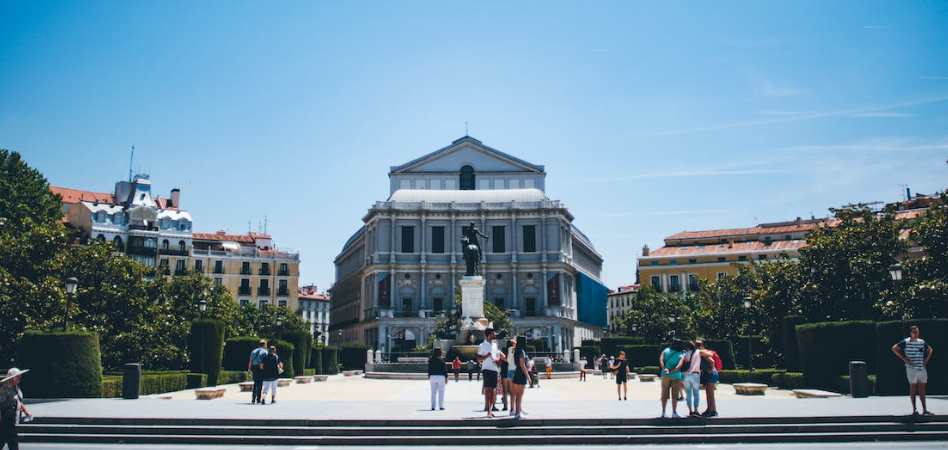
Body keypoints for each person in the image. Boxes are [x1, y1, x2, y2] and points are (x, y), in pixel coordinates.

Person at [892, 325, 935, 416]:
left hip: (921, 367)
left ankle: (924, 409)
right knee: (913, 387)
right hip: (911, 368)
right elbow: (894, 348)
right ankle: (914, 409)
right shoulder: (906, 342)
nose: (916, 334)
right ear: (911, 333)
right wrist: (904, 359)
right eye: (914, 332)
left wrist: (926, 360)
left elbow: (930, 349)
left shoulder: (921, 342)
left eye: (917, 332)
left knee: (922, 388)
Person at [1, 368, 30, 450]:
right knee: (12, 438)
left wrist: (26, 412)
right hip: (6, 417)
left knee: (4, 437)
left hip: (12, 417)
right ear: (12, 378)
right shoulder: (4, 389)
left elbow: (18, 401)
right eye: (17, 376)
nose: (19, 378)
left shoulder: (16, 388)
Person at [478, 328, 502, 418]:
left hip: (494, 369)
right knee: (487, 390)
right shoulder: (482, 345)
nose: (494, 335)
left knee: (493, 390)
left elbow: (498, 355)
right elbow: (479, 358)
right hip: (486, 369)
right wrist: (486, 356)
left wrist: (497, 359)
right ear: (489, 335)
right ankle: (488, 410)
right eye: (493, 333)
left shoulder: (495, 345)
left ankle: (490, 409)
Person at [660, 340, 685, 418]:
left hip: (665, 375)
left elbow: (661, 360)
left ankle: (663, 412)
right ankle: (674, 412)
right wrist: (671, 371)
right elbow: (679, 366)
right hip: (676, 376)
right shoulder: (681, 354)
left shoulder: (666, 350)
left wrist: (665, 369)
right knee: (675, 395)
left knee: (664, 394)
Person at [696, 339, 719, 417]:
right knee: (708, 393)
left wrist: (711, 369)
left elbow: (712, 361)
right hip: (708, 373)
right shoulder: (704, 352)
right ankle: (711, 409)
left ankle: (711, 410)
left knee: (710, 393)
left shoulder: (703, 353)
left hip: (711, 374)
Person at [509, 336, 530, 419]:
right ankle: (518, 412)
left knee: (518, 394)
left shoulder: (517, 351)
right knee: (520, 394)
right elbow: (522, 365)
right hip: (521, 373)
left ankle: (518, 411)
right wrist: (528, 377)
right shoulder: (522, 351)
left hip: (517, 371)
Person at [681, 342, 704, 417]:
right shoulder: (698, 352)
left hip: (685, 375)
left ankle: (690, 410)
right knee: (696, 393)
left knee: (688, 393)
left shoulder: (685, 354)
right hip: (695, 374)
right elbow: (709, 354)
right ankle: (696, 410)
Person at [247, 339, 268, 404]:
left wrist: (249, 369)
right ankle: (258, 398)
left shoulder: (254, 351)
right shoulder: (265, 352)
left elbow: (251, 361)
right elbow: (266, 361)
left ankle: (253, 397)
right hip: (261, 368)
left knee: (255, 383)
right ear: (264, 345)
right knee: (260, 383)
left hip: (255, 367)